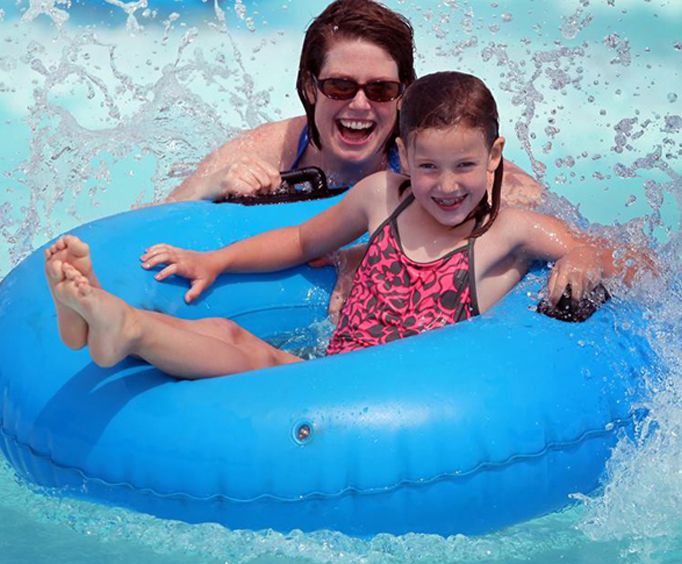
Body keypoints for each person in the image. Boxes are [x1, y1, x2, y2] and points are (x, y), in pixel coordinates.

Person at [45, 71, 644, 379]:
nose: (447, 185)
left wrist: (581, 258)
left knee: (253, 362)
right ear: (402, 155)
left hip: (406, 397)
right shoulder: (383, 196)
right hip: (333, 372)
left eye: (465, 165)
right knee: (229, 335)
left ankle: (120, 328)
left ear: (494, 157)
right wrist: (216, 260)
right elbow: (301, 239)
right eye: (428, 166)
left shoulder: (508, 231)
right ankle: (112, 320)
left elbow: (609, 251)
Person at [166, 0, 543, 320]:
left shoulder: (424, 161)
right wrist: (211, 184)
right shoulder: (274, 147)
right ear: (311, 87)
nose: (360, 105)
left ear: (403, 95)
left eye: (381, 89)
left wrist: (379, 251)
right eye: (340, 86)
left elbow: (529, 196)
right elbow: (160, 214)